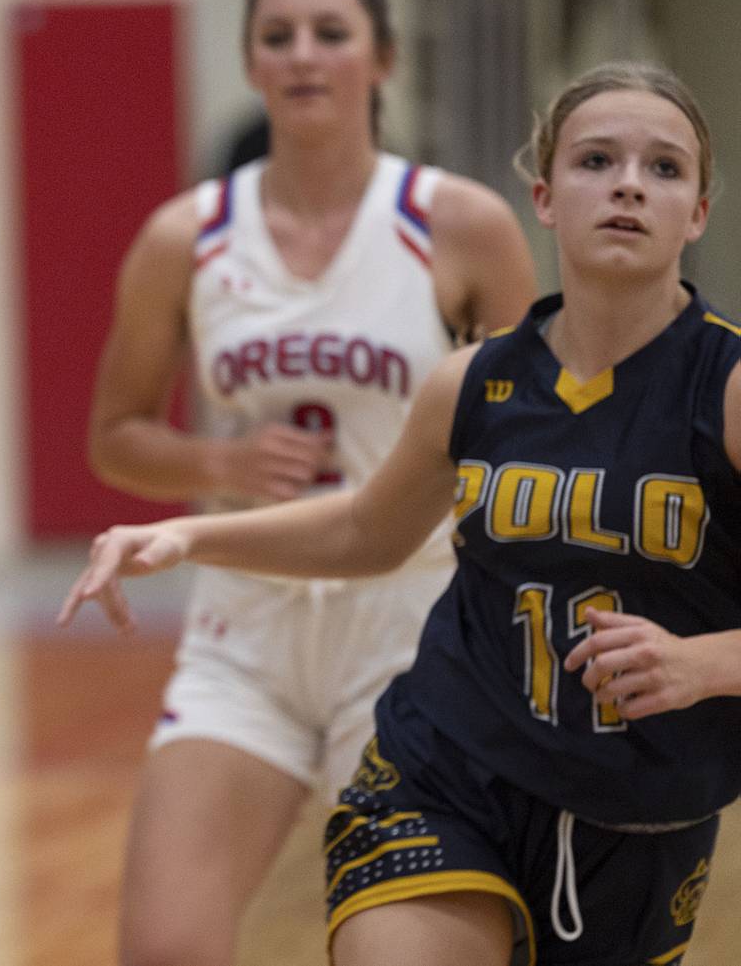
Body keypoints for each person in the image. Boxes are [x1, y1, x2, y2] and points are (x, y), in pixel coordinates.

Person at [62, 59, 740, 965]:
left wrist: (704, 660)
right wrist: (188, 533)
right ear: (543, 196)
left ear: (697, 212)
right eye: (596, 161)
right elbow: (363, 530)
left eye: (664, 168)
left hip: (637, 801)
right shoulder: (476, 380)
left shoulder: (726, 387)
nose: (627, 183)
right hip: (449, 764)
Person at [60, 0, 535, 966]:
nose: (305, 54)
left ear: (384, 57)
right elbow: (115, 436)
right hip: (248, 627)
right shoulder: (186, 237)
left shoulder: (460, 223)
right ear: (251, 61)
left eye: (331, 32)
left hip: (412, 626)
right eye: (279, 36)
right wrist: (217, 467)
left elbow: (538, 441)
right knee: (163, 949)